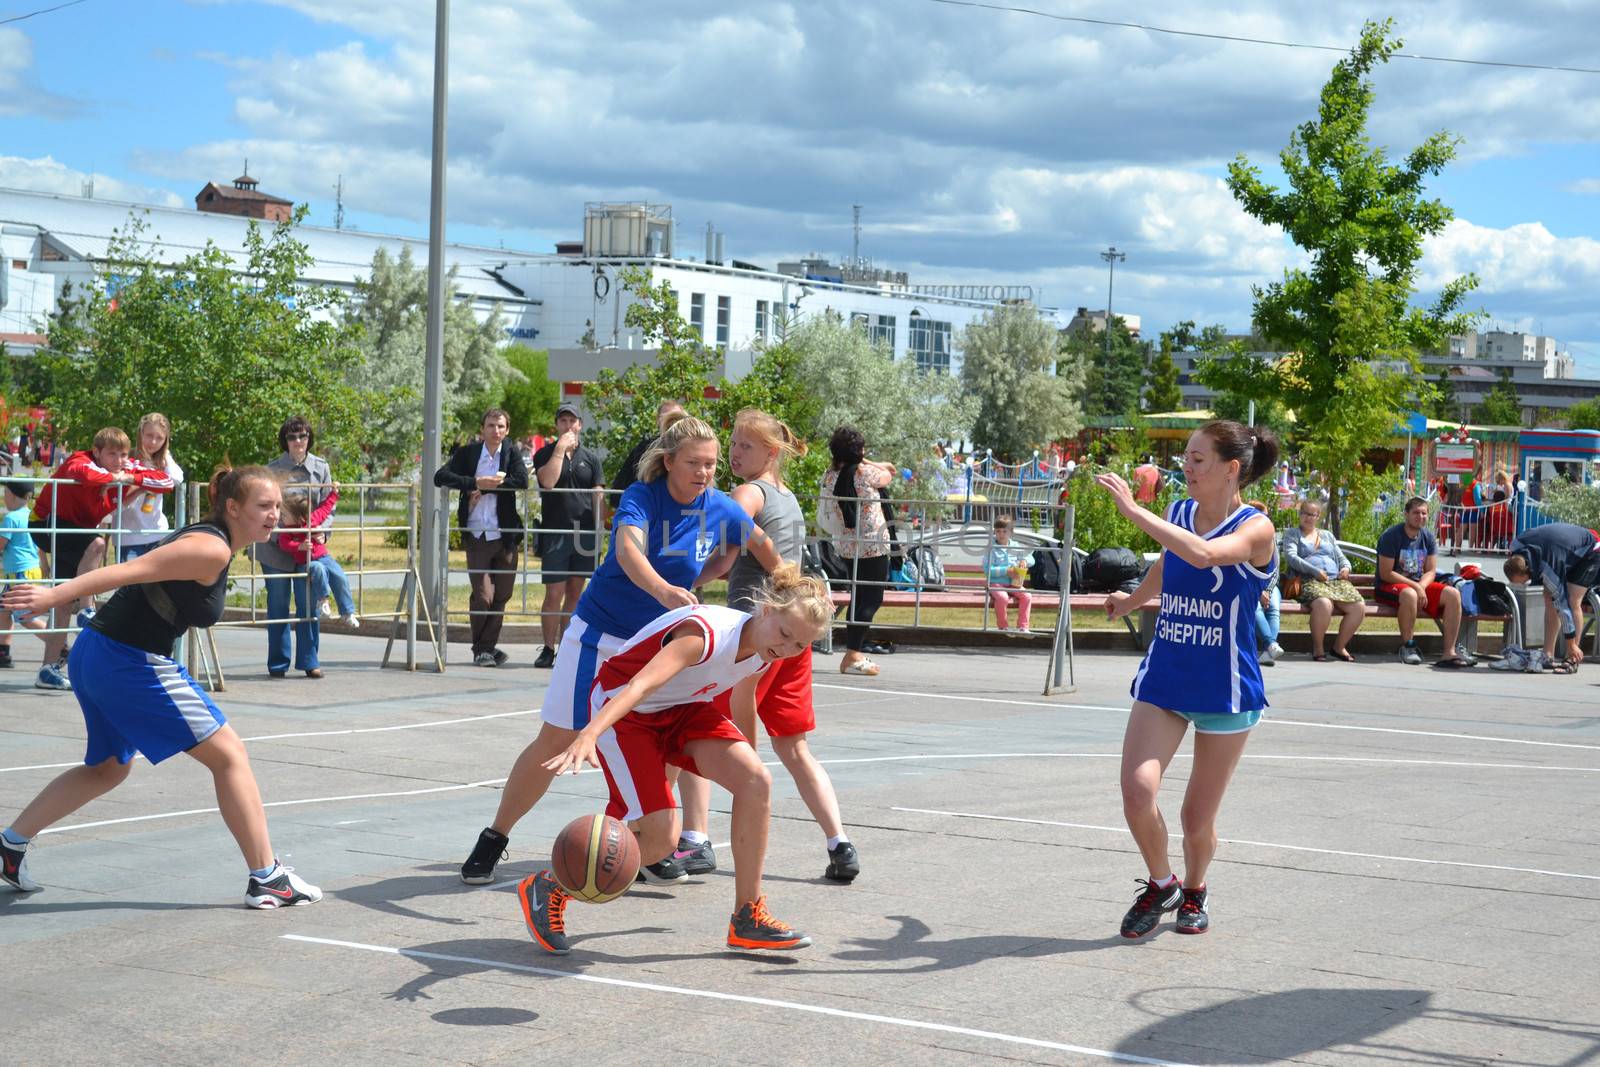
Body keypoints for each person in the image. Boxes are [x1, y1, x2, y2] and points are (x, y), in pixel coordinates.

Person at [458, 416, 780, 885]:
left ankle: (647, 844)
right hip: (602, 635)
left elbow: (761, 545)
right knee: (558, 740)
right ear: (669, 461)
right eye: (693, 462)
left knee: (663, 741)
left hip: (656, 645)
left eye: (711, 464)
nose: (704, 472)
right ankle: (495, 837)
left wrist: (788, 582)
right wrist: (667, 590)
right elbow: (630, 554)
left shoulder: (722, 507)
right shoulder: (641, 498)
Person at [0, 466, 322, 908]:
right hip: (125, 659)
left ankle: (9, 846)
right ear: (233, 507)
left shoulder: (214, 541)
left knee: (109, 767)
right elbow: (133, 569)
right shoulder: (210, 548)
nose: (273, 515)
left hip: (100, 653)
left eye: (276, 506)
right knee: (230, 755)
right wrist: (55, 595)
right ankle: (268, 878)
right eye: (263, 506)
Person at [521, 565, 832, 955]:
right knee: (661, 838)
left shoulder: (766, 650)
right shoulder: (704, 635)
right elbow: (641, 684)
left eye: (800, 646)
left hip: (681, 708)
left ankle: (748, 916)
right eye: (786, 635)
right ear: (766, 609)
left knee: (757, 782)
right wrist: (589, 733)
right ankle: (550, 885)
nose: (788, 649)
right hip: (627, 712)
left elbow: (742, 699)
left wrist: (747, 758)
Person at [1099, 420, 1280, 938]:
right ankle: (1163, 884)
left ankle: (1196, 889)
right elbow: (1170, 561)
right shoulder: (1179, 513)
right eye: (1186, 456)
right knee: (1137, 792)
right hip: (1167, 676)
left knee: (1196, 820)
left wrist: (1134, 512)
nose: (1187, 467)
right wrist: (1132, 599)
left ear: (1231, 469)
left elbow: (1203, 555)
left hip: (1225, 689)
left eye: (1198, 459)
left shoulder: (1256, 528)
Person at [676, 409, 860, 884]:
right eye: (733, 444)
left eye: (746, 446)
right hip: (792, 640)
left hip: (755, 639)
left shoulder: (749, 492)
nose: (735, 452)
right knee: (795, 748)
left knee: (697, 727)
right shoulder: (789, 498)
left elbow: (722, 554)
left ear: (771, 452)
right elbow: (740, 556)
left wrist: (675, 581)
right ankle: (840, 843)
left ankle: (695, 839)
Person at [30, 427, 175, 691]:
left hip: (76, 531)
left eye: (123, 454)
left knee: (62, 599)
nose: (119, 460)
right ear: (96, 451)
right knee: (97, 544)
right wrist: (120, 479)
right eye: (112, 454)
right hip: (47, 523)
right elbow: (85, 474)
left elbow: (166, 481)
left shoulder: (124, 468)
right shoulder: (80, 460)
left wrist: (129, 476)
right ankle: (87, 608)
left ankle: (47, 669)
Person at [433, 408, 529, 668]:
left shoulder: (510, 453)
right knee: (483, 595)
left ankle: (485, 648)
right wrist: (474, 482)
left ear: (506, 430)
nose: (495, 431)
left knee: (502, 595)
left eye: (500, 426)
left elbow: (522, 481)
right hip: (476, 532)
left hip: (505, 534)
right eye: (490, 426)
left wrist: (493, 486)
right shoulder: (469, 453)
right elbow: (440, 476)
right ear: (482, 428)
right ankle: (483, 649)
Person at [817, 426, 898, 676]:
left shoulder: (830, 475)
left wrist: (858, 457)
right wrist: (866, 459)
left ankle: (853, 653)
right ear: (859, 452)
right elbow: (890, 472)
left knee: (858, 595)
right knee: (871, 598)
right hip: (873, 545)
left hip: (845, 545)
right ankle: (852, 654)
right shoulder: (866, 473)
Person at [531, 402, 605, 670]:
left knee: (575, 592)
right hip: (555, 533)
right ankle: (548, 649)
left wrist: (602, 530)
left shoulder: (591, 458)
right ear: (557, 425)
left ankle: (566, 648)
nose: (568, 426)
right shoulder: (545, 454)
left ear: (580, 424)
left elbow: (598, 495)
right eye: (563, 421)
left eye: (572, 421)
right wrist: (560, 449)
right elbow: (547, 482)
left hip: (584, 534)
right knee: (554, 592)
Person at [260, 416, 334, 679]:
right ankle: (278, 664)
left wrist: (322, 531)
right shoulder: (272, 468)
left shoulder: (321, 467)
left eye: (302, 436)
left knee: (308, 603)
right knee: (278, 604)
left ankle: (309, 661)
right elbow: (264, 506)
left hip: (307, 547)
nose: (298, 441)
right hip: (278, 546)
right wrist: (281, 530)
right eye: (292, 437)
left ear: (309, 438)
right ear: (285, 441)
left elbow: (329, 504)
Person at [1376, 497, 1469, 668]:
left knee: (1453, 594)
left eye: (1424, 513)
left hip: (1418, 585)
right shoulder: (1391, 536)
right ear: (1406, 514)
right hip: (1388, 586)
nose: (1421, 516)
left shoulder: (1428, 537)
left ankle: (1449, 652)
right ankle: (1408, 646)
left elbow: (1431, 571)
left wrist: (1421, 587)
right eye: (1416, 513)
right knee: (1410, 594)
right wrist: (1416, 587)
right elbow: (1386, 573)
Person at [1503, 522, 1600, 673]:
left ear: (1528, 571)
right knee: (1549, 599)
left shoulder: (1549, 568)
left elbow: (1563, 607)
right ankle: (1548, 655)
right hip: (1560, 548)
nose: (1524, 585)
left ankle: (1572, 658)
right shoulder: (1516, 546)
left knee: (1573, 601)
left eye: (1523, 582)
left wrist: (1571, 644)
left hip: (1589, 549)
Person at [1280, 499, 1365, 661]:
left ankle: (1339, 647)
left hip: (1334, 581)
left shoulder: (1327, 535)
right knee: (1324, 604)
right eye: (1305, 513)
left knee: (1358, 606)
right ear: (1300, 514)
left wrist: (1346, 568)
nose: (1308, 517)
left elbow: (1341, 558)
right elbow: (1291, 558)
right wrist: (1314, 571)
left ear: (1318, 516)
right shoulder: (1293, 534)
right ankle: (1318, 648)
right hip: (1307, 580)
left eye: (1313, 514)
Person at [277, 489, 358, 628]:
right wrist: (299, 546)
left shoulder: (313, 519)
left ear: (299, 517)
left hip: (324, 557)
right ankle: (323, 602)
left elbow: (326, 507)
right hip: (305, 562)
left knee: (340, 576)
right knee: (318, 569)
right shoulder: (288, 529)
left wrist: (334, 493)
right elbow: (283, 543)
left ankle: (347, 612)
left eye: (284, 514)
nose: (281, 517)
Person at [114, 413, 185, 563]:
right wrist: (142, 486)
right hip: (129, 535)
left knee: (156, 584)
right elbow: (118, 504)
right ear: (140, 434)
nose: (153, 442)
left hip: (157, 533)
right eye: (149, 435)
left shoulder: (163, 462)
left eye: (160, 438)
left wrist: (166, 454)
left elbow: (177, 478)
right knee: (130, 584)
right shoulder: (128, 459)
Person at [1, 481, 48, 671]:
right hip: (25, 570)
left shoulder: (11, 518)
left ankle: (59, 644)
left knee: (25, 617)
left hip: (20, 572)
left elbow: (1, 543)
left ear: (11, 495)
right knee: (4, 609)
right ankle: (3, 650)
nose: (4, 498)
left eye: (5, 493)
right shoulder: (32, 516)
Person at [610, 399, 686, 497]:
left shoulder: (694, 444)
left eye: (675, 417)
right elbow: (626, 482)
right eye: (665, 416)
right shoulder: (646, 447)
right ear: (658, 420)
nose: (670, 420)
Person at [1242, 501, 1285, 666]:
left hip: (1269, 586)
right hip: (1251, 586)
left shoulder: (1270, 539)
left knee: (1274, 609)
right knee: (1255, 607)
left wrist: (1267, 589)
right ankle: (1270, 645)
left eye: (1264, 515)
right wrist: (1259, 591)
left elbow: (1275, 569)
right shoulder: (1243, 538)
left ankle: (1270, 649)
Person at [984, 513, 1032, 635]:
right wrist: (1006, 570)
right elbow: (987, 570)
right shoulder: (991, 548)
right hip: (997, 584)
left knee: (1027, 596)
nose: (1001, 534)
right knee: (1002, 597)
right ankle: (1003, 626)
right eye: (998, 531)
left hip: (1013, 584)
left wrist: (1024, 561)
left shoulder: (1015, 546)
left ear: (1011, 532)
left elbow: (1032, 558)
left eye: (1004, 531)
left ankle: (1023, 626)